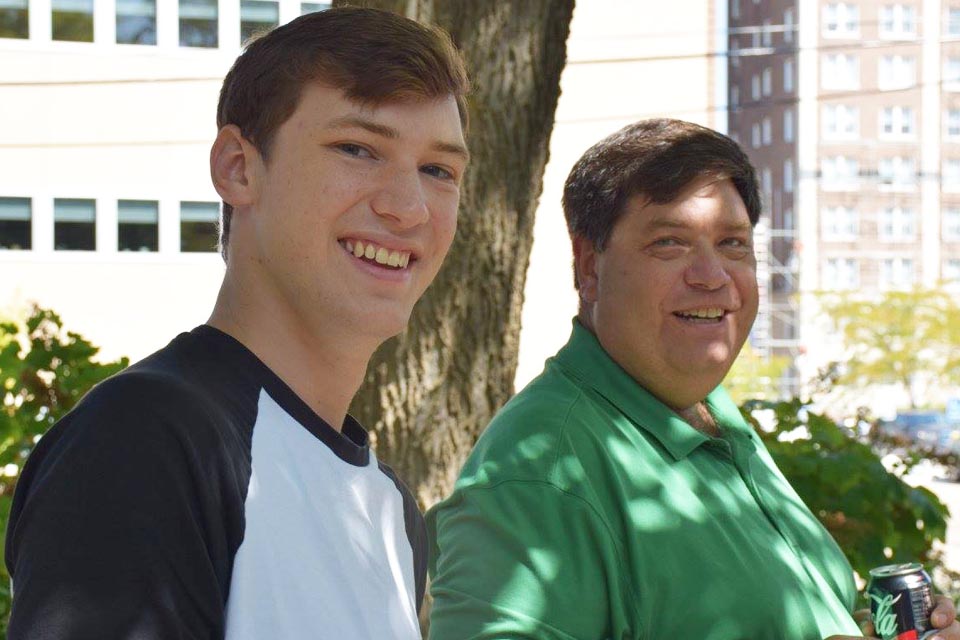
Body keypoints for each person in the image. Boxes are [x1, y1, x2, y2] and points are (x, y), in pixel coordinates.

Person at [5, 7, 469, 639]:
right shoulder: (146, 441)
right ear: (237, 169)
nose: (408, 207)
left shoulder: (390, 513)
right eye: (358, 149)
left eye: (438, 170)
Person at [427, 119, 958, 640]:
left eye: (733, 244)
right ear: (589, 266)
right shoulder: (539, 473)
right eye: (670, 243)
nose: (712, 276)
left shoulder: (707, 412)